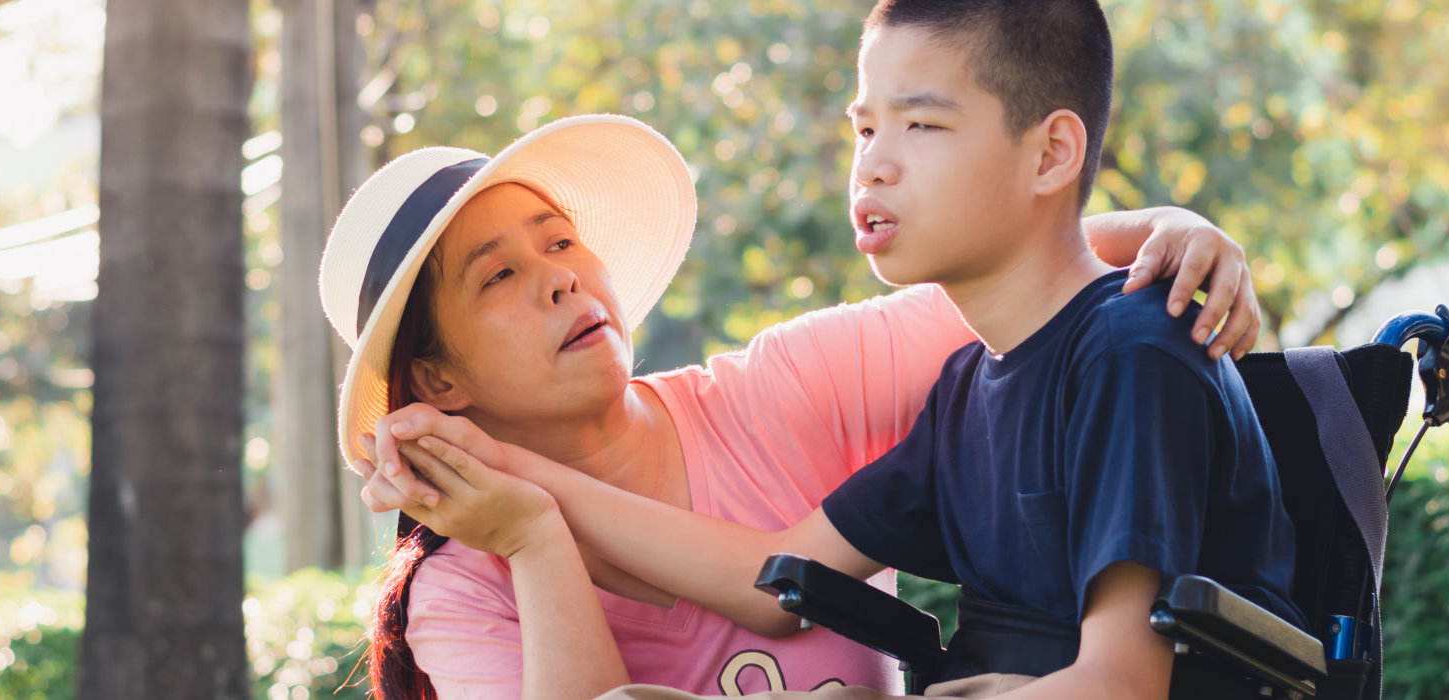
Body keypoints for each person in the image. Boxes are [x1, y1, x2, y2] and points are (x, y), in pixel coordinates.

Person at [375, 2, 1302, 699]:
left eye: (921, 125)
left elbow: (1119, 685)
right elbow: (777, 580)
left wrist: (1176, 225)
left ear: (1052, 153)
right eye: (864, 129)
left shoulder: (1127, 351)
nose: (874, 164)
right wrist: (521, 500)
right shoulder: (966, 386)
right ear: (438, 377)